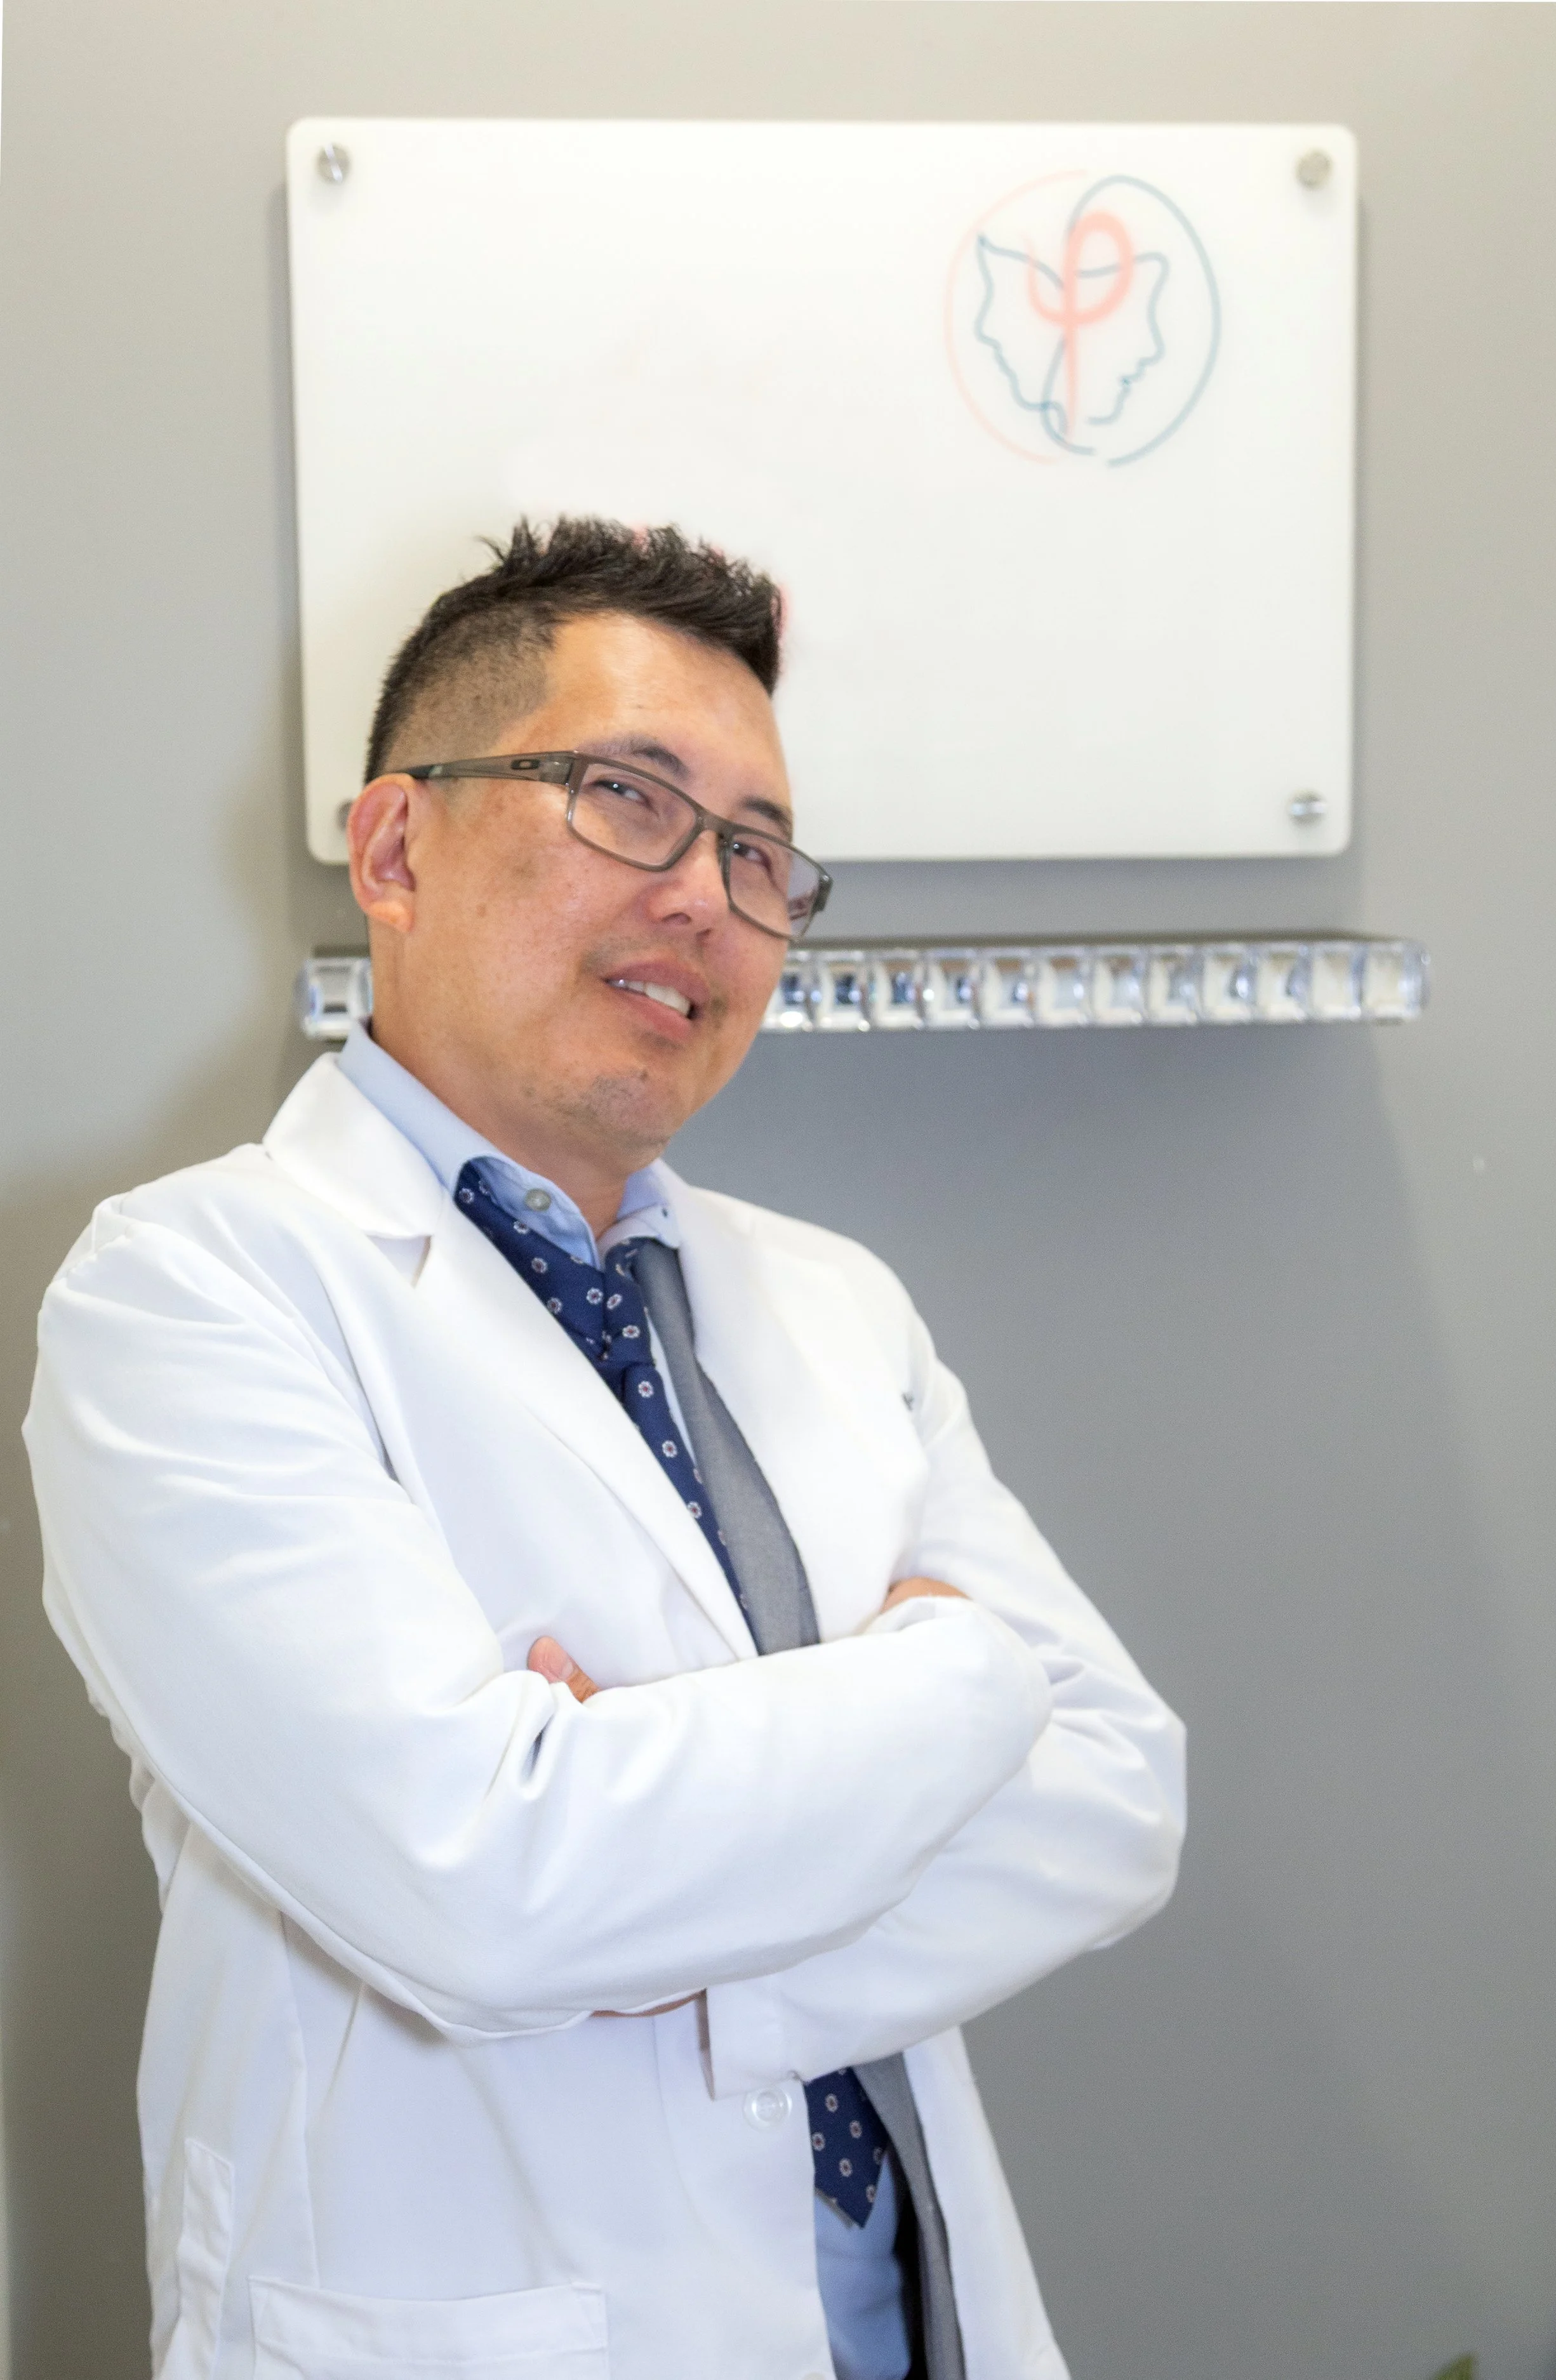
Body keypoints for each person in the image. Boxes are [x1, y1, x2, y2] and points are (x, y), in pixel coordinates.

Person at [25, 518, 1185, 2380]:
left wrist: (660, 1907)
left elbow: (1118, 1791)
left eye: (756, 852)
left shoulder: (834, 1301)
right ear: (395, 849)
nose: (707, 899)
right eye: (628, 800)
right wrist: (962, 1673)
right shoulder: (186, 1294)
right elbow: (483, 1883)